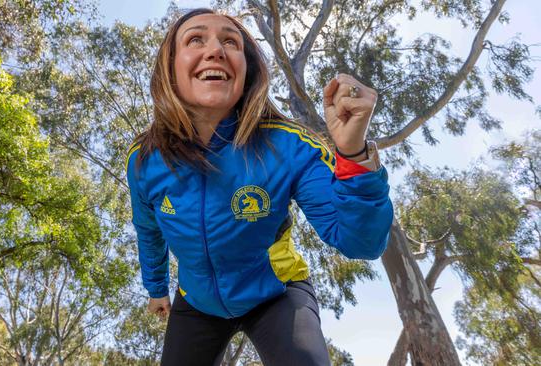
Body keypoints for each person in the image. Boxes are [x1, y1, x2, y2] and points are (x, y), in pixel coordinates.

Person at [125, 8, 393, 366]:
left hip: (277, 293)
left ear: (246, 69)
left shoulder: (290, 146)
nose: (216, 50)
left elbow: (362, 243)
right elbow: (149, 231)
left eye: (230, 42)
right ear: (169, 69)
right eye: (195, 39)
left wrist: (353, 153)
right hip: (196, 301)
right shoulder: (145, 160)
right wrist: (156, 290)